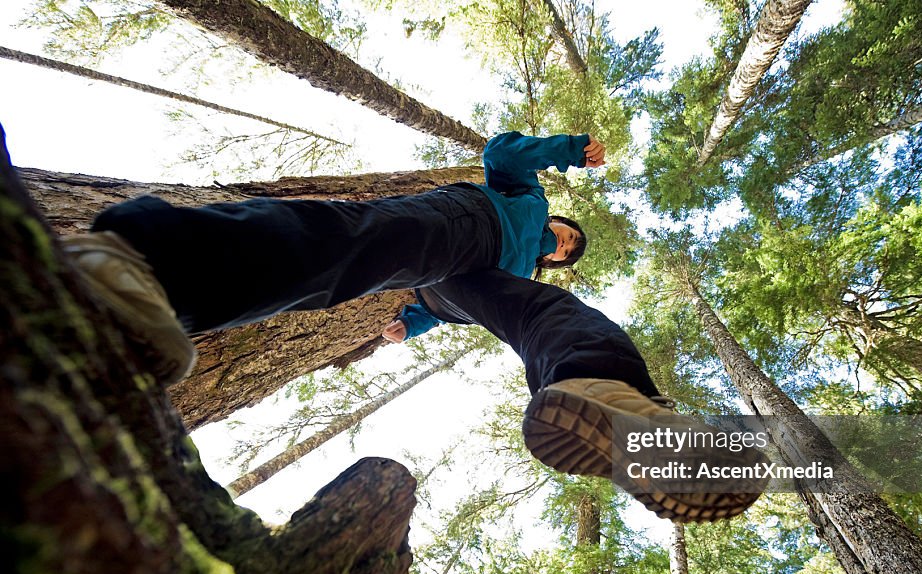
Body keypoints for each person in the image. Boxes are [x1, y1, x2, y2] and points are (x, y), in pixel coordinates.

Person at [62, 131, 766, 523]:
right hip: (470, 222)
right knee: (349, 245)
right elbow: (501, 154)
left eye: (563, 253)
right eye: (561, 237)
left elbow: (440, 305)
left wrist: (411, 325)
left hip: (464, 286)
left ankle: (607, 393)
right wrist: (568, 149)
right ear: (555, 221)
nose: (558, 246)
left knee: (551, 315)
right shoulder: (525, 200)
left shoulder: (531, 271)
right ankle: (144, 257)